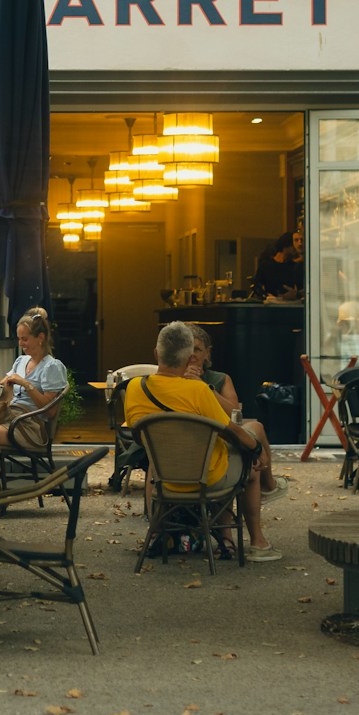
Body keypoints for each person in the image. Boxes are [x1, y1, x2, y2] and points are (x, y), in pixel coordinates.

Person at [121, 322, 279, 561]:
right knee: (249, 466)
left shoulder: (134, 388)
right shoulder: (199, 391)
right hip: (207, 479)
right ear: (188, 358)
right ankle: (258, 542)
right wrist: (257, 449)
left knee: (159, 458)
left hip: (163, 480)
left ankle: (156, 533)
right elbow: (232, 430)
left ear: (156, 354)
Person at [184, 325, 285, 499]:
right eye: (187, 349)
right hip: (191, 441)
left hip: (222, 434)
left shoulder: (220, 379)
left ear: (207, 353)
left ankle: (267, 485)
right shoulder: (172, 377)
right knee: (255, 431)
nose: (192, 354)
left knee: (256, 427)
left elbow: (234, 413)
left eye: (198, 349)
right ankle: (268, 486)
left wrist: (205, 387)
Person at [0, 308, 68, 450]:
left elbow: (50, 411)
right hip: (10, 418)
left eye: (25, 339)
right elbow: (5, 385)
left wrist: (26, 384)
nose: (20, 344)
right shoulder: (21, 361)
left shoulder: (51, 367)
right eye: (19, 339)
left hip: (29, 426)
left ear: (40, 338)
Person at [251, 228, 305, 301]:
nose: (299, 245)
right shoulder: (266, 266)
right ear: (286, 245)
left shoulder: (297, 267)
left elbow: (304, 290)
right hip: (270, 307)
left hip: (291, 307)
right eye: (295, 241)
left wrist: (296, 294)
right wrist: (266, 296)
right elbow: (257, 286)